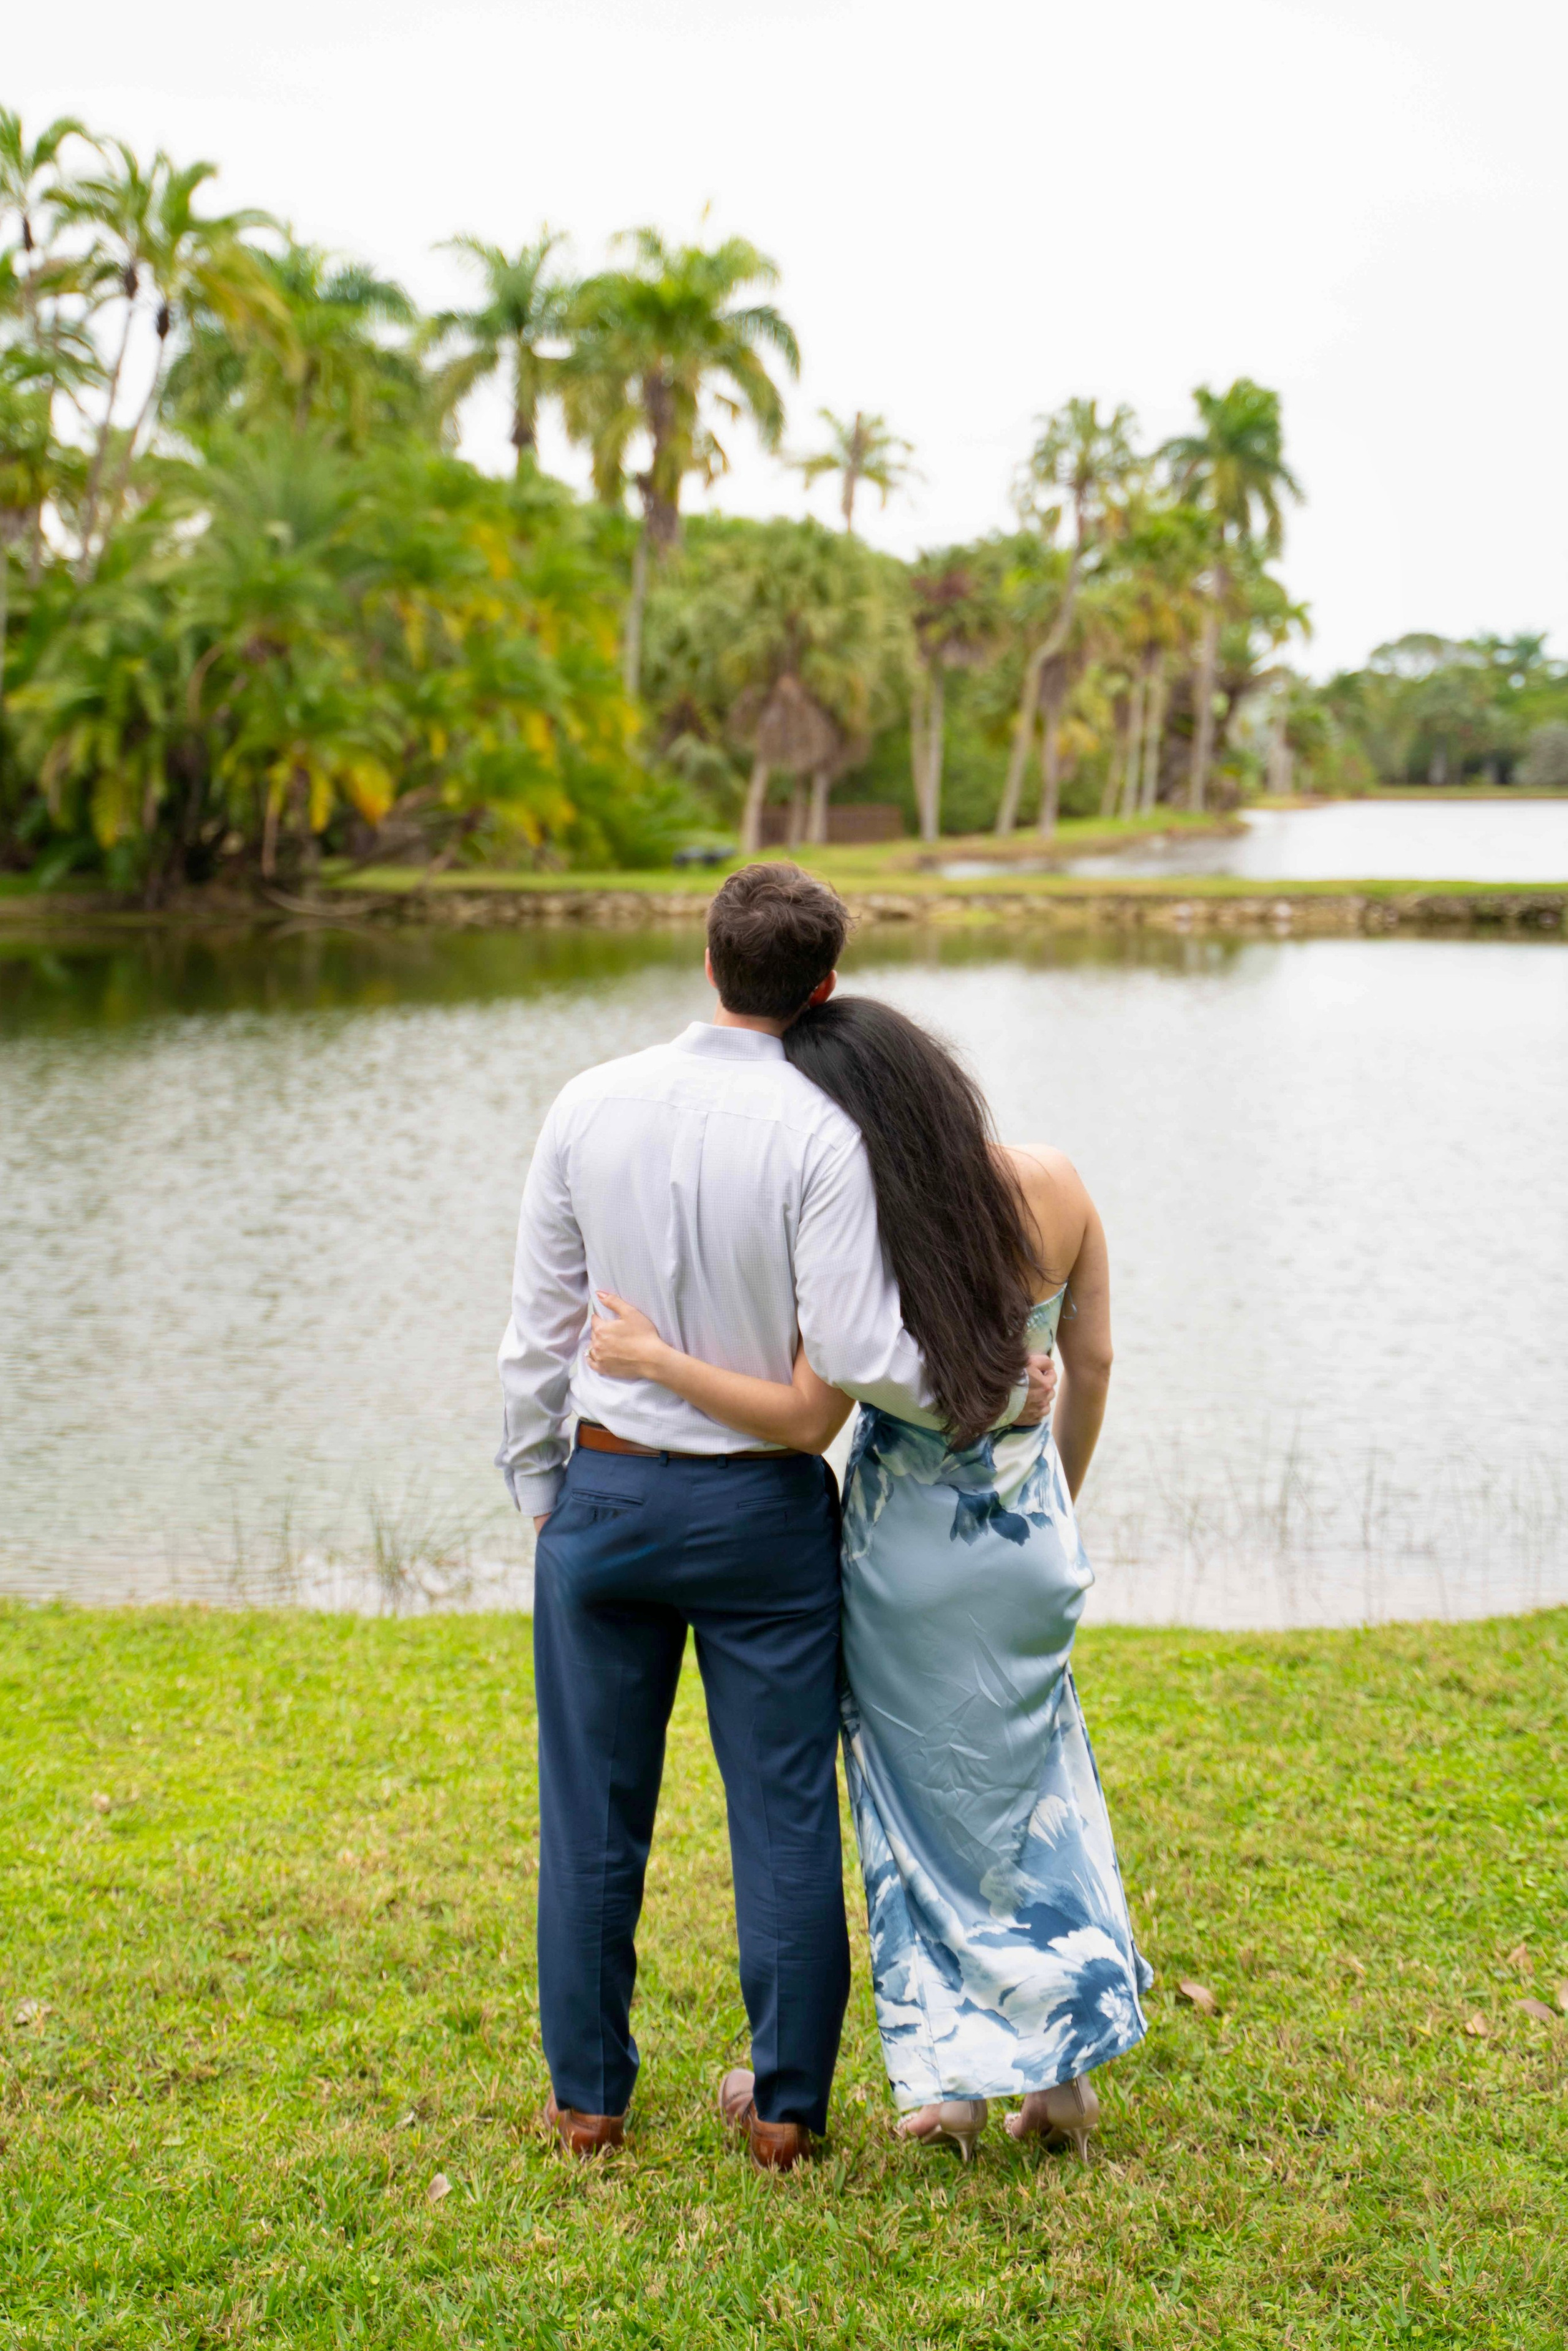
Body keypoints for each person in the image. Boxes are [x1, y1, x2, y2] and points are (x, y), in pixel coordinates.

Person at [496, 864, 1052, 2172]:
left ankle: (587, 2102)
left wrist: (539, 1487)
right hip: (761, 1510)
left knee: (591, 1814)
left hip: (607, 1490)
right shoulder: (823, 1127)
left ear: (704, 957)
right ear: (822, 988)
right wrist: (988, 1391)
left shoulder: (584, 1103)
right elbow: (858, 1346)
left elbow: (535, 1331)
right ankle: (789, 2109)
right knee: (785, 1810)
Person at [587, 991, 1151, 2163]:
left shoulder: (884, 1224)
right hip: (1029, 1535)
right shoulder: (1057, 1178)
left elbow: (828, 1399)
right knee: (1046, 1784)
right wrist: (1050, 1499)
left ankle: (956, 2090)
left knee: (915, 1807)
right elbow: (1088, 1361)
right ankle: (1065, 2082)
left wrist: (650, 1357)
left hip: (907, 1552)